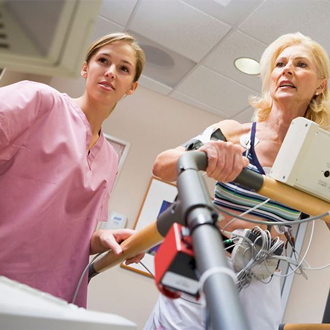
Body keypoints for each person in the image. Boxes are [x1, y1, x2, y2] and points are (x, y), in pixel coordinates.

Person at [144, 32, 330, 330]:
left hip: (265, 277)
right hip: (208, 260)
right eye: (280, 64)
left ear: (321, 85)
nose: (288, 70)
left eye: (301, 64)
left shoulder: (321, 160)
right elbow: (162, 166)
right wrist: (205, 154)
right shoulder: (233, 134)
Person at [0, 32, 146, 308]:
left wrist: (103, 239)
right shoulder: (39, 100)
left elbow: (75, 236)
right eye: (103, 61)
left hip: (53, 295)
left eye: (124, 68)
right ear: (85, 68)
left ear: (132, 87)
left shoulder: (110, 160)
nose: (111, 72)